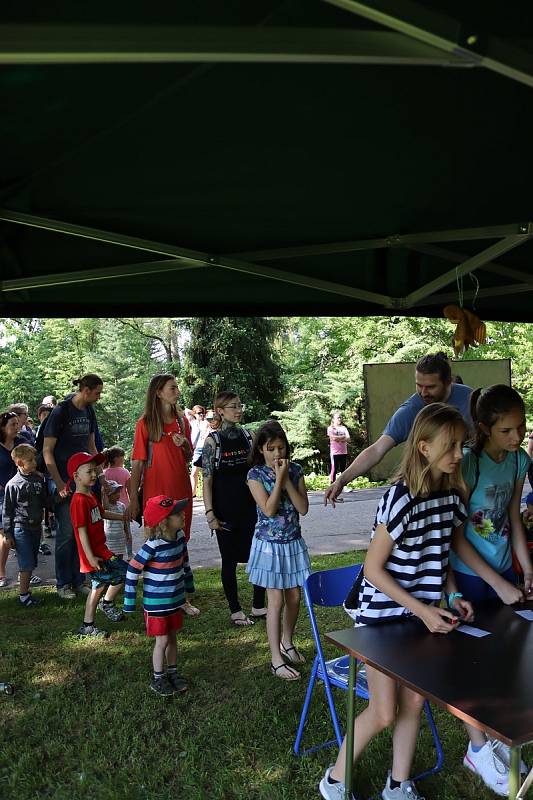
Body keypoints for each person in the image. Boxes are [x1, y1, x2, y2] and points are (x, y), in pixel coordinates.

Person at [320, 403, 473, 800]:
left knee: (416, 700)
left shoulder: (453, 497)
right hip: (380, 620)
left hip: (417, 619)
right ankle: (334, 780)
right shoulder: (400, 498)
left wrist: (452, 593)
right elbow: (372, 569)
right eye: (451, 446)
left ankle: (398, 784)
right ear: (423, 447)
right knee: (385, 711)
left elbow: (441, 556)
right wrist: (423, 609)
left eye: (461, 445)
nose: (459, 454)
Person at [449, 384, 532, 795]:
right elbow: (456, 536)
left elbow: (513, 518)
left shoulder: (519, 460)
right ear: (484, 428)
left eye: (520, 427)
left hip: (503, 574)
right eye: (506, 431)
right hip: (469, 577)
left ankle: (496, 733)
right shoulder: (466, 464)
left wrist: (524, 569)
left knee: (503, 659)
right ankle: (477, 749)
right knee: (470, 665)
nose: (515, 438)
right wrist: (496, 582)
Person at [324, 351, 472, 506]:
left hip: (471, 485)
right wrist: (341, 480)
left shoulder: (469, 397)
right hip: (431, 491)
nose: (423, 393)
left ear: (448, 382)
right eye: (419, 386)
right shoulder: (411, 410)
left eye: (430, 387)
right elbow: (376, 450)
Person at [129, 374, 198, 617]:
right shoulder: (145, 423)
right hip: (154, 493)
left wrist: (184, 446)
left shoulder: (182, 421)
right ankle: (153, 598)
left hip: (180, 489)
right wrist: (133, 499)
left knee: (180, 543)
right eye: (173, 387)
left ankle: (182, 599)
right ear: (158, 392)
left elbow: (189, 456)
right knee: (154, 544)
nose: (177, 391)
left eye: (177, 387)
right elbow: (137, 465)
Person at [246, 421, 310, 680]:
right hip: (269, 546)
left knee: (294, 598)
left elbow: (303, 508)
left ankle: (287, 642)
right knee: (276, 600)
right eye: (270, 448)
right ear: (261, 449)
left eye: (281, 447)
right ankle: (275, 659)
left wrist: (286, 481)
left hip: (292, 543)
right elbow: (269, 510)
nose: (277, 454)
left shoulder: (296, 470)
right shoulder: (255, 475)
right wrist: (279, 479)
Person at [202, 391, 267, 626]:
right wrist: (210, 514)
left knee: (258, 557)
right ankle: (235, 610)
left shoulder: (250, 437)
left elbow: (260, 470)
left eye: (240, 405)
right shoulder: (213, 442)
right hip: (225, 512)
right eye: (232, 407)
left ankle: (259, 606)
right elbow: (206, 481)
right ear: (220, 411)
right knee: (228, 560)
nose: (238, 410)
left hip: (252, 509)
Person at [124, 495, 194, 696]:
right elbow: (132, 570)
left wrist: (189, 588)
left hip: (175, 601)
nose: (183, 515)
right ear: (164, 521)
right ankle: (158, 678)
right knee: (162, 641)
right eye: (177, 514)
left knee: (173, 638)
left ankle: (173, 673)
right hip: (156, 604)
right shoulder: (152, 545)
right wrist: (129, 602)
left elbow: (185, 563)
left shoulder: (180, 537)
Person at [43, 374, 104, 599]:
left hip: (83, 479)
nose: (99, 396)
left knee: (82, 531)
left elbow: (90, 445)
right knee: (66, 533)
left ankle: (79, 580)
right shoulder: (61, 411)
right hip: (63, 480)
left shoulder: (88, 411)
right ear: (85, 390)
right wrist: (59, 483)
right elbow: (47, 451)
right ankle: (63, 583)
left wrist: (101, 475)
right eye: (97, 392)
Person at [68, 451, 128, 637]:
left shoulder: (90, 496)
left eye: (95, 471)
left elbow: (101, 514)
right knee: (125, 572)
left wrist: (123, 516)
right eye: (89, 471)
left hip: (101, 550)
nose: (94, 475)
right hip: (94, 555)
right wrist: (90, 557)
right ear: (76, 476)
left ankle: (88, 624)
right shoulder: (78, 501)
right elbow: (81, 531)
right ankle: (106, 605)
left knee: (98, 586)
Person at [2, 444, 49, 606]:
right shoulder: (13, 485)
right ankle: (23, 596)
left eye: (34, 459)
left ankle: (26, 591)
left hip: (36, 528)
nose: (35, 462)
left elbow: (45, 501)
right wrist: (8, 534)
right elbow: (7, 511)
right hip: (21, 528)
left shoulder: (38, 479)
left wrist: (58, 498)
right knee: (26, 562)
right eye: (30, 460)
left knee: (32, 561)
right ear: (20, 463)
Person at [0, 411, 25, 588]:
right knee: (5, 535)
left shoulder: (22, 443)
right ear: (3, 427)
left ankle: (23, 573)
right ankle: (1, 572)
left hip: (20, 494)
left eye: (18, 424)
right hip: (1, 495)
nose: (17, 427)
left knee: (20, 534)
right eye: (12, 425)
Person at [103, 446, 132, 557]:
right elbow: (129, 491)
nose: (123, 459)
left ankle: (111, 553)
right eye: (122, 457)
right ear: (116, 458)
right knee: (126, 531)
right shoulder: (125, 472)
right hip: (124, 508)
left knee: (109, 528)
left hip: (109, 508)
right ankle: (128, 554)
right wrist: (132, 505)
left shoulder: (104, 473)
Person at [102, 480, 130, 559]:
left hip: (120, 537)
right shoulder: (107, 507)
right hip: (109, 539)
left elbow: (124, 522)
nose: (118, 494)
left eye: (118, 492)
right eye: (114, 493)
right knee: (110, 557)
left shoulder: (122, 506)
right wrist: (104, 493)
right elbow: (105, 508)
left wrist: (127, 533)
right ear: (108, 495)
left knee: (120, 556)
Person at [327, 411, 350, 493]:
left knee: (343, 470)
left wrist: (339, 438)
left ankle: (343, 486)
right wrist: (342, 437)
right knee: (334, 469)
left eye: (340, 417)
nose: (339, 419)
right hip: (335, 453)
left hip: (343, 452)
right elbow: (333, 438)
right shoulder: (330, 428)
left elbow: (348, 438)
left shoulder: (344, 428)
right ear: (333, 419)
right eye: (338, 418)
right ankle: (332, 486)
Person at [190, 405, 208, 497]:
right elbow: (185, 411)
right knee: (194, 472)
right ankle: (193, 493)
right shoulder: (193, 422)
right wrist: (194, 414)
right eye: (199, 413)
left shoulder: (206, 422)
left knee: (207, 473)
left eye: (202, 412)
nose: (201, 414)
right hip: (197, 449)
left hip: (206, 448)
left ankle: (207, 493)